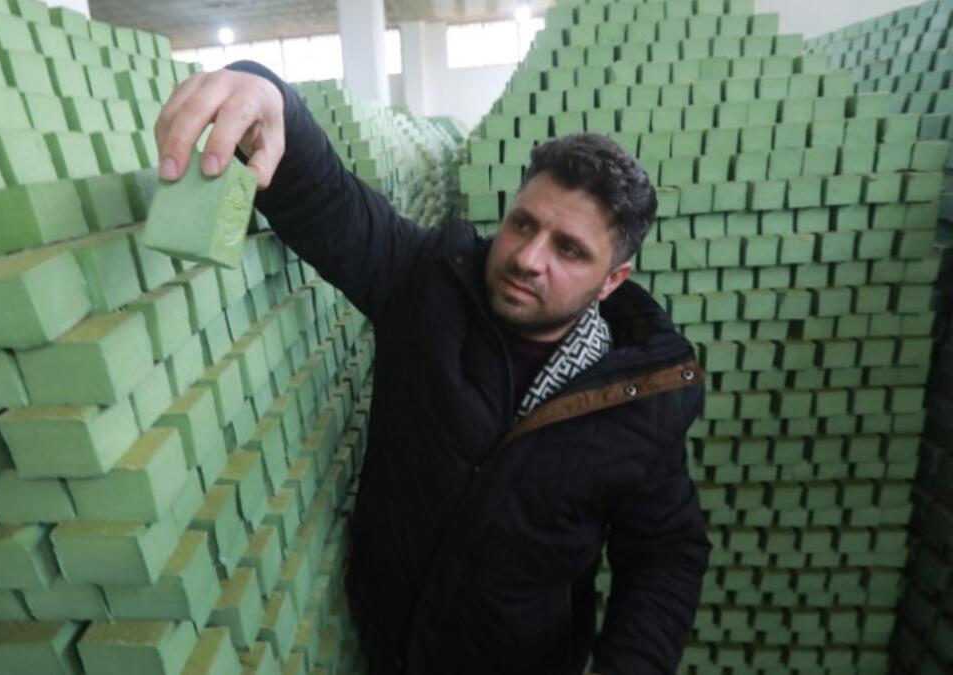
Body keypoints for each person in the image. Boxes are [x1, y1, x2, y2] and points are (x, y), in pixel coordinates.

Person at [155, 60, 711, 675]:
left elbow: (666, 551)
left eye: (569, 249)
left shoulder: (634, 397)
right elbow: (331, 204)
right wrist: (264, 89)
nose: (528, 258)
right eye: (523, 224)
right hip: (389, 652)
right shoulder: (426, 284)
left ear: (613, 281)